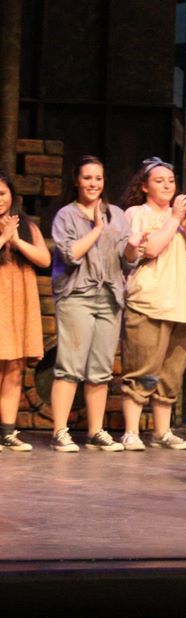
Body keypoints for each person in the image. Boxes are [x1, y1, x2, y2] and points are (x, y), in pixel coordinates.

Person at [118, 156, 186, 451]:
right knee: (142, 369)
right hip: (149, 301)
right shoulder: (136, 214)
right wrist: (173, 220)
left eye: (171, 181)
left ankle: (162, 432)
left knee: (171, 374)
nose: (167, 185)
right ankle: (131, 431)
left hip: (184, 304)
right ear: (145, 187)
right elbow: (152, 250)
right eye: (159, 181)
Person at [49, 156, 136, 453]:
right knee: (70, 365)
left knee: (101, 368)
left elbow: (128, 260)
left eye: (98, 178)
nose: (93, 183)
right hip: (77, 295)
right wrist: (97, 228)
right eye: (87, 178)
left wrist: (134, 246)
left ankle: (96, 431)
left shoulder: (117, 214)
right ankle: (60, 431)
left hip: (109, 296)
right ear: (77, 180)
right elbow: (70, 254)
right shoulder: (66, 215)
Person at [0, 170, 50, 452]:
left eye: (2, 193)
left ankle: (7, 431)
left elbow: (44, 259)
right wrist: (3, 236)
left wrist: (16, 239)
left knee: (15, 367)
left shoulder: (26, 225)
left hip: (19, 300)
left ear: (12, 195)